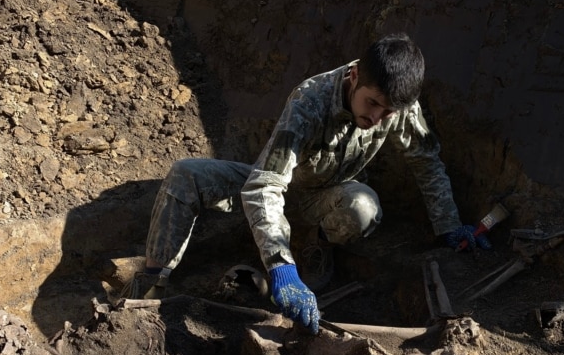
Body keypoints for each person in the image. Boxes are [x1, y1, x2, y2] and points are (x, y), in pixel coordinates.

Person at [124, 32, 490, 335]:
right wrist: (281, 266)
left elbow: (425, 159)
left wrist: (449, 225)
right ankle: (151, 286)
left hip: (325, 200)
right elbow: (264, 185)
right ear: (355, 77)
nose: (378, 118)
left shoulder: (398, 103)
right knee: (185, 174)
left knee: (363, 207)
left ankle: (312, 245)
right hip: (279, 186)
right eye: (373, 104)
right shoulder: (309, 101)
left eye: (388, 112)